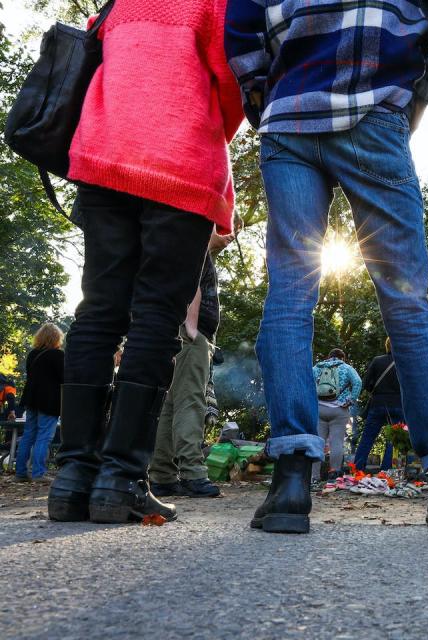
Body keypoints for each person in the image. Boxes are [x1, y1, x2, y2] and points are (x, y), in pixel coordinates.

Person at [226, 0, 428, 533]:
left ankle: (292, 480)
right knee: (407, 302)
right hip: (376, 108)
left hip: (292, 115)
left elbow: (239, 22)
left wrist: (260, 91)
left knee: (290, 297)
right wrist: (426, 87)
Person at [46, 0, 243, 524]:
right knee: (157, 314)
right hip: (179, 163)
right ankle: (120, 479)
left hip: (102, 157)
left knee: (98, 309)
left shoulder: (119, 4)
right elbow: (232, 80)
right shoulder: (214, 3)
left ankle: (72, 478)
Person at [150, 229, 236, 499]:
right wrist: (192, 329)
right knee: (191, 401)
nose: (231, 236)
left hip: (174, 333)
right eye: (227, 228)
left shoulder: (186, 244)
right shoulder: (198, 249)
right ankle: (193, 473)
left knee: (170, 404)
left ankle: (161, 475)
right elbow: (193, 287)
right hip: (191, 336)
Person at [15, 323, 65, 482]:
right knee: (44, 436)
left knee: (28, 435)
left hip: (31, 399)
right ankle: (38, 473)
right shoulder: (58, 355)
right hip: (49, 401)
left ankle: (20, 473)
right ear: (56, 338)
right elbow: (64, 378)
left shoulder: (32, 354)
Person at [354, 339, 404, 474]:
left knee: (368, 436)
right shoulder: (405, 363)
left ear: (386, 346)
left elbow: (366, 383)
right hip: (398, 404)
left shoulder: (377, 361)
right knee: (393, 439)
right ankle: (386, 470)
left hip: (378, 403)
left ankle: (358, 468)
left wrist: (376, 390)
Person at [312, 349, 362, 483]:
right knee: (337, 443)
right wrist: (350, 400)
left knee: (317, 443)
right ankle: (333, 476)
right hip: (339, 409)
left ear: (329, 357)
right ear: (342, 358)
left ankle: (314, 477)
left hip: (319, 410)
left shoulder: (318, 367)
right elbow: (358, 382)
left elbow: (306, 383)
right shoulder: (347, 368)